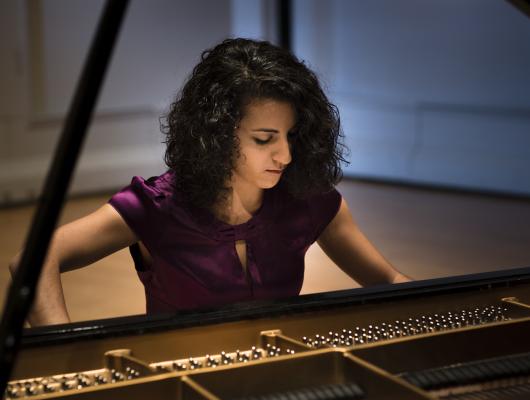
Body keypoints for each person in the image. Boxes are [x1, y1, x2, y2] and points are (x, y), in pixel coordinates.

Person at [10, 38, 410, 326]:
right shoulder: (157, 207)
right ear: (218, 134)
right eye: (264, 139)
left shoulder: (309, 200)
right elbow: (34, 258)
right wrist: (64, 344)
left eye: (291, 136)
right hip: (178, 388)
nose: (286, 156)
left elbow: (389, 281)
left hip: (278, 380)